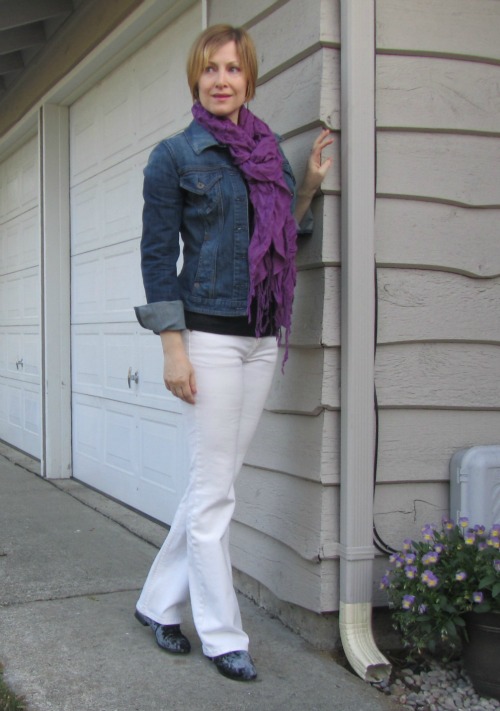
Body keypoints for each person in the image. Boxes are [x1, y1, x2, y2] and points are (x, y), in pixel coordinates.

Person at [133, 24, 332, 682]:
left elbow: (281, 238)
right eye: (211, 68)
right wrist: (173, 349)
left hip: (261, 336)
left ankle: (157, 602)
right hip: (209, 339)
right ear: (196, 78)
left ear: (250, 78)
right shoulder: (173, 157)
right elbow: (158, 259)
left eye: (233, 68)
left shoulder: (268, 153)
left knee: (211, 486)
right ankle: (223, 635)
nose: (222, 79)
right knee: (215, 494)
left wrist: (306, 187)